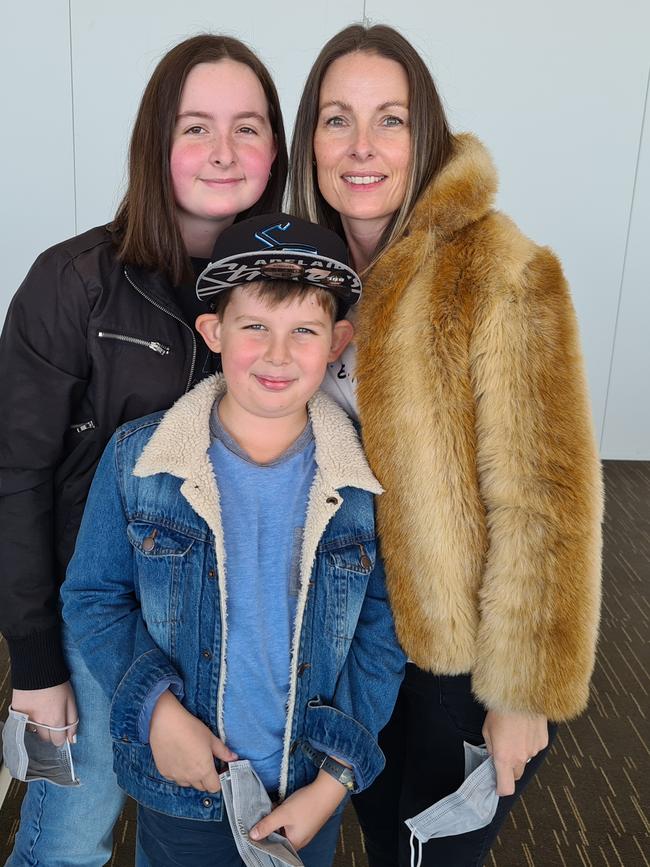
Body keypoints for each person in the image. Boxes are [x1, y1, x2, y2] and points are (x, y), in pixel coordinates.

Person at [289, 23, 603, 867]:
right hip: (341, 639)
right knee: (370, 826)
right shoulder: (297, 275)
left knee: (424, 854)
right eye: (336, 119)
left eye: (389, 120)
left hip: (454, 666)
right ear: (307, 139)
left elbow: (550, 496)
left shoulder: (499, 268)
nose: (362, 147)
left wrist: (524, 692)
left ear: (425, 132)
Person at [0, 33, 287, 866]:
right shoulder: (72, 281)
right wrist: (37, 662)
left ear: (276, 145)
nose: (224, 153)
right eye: (195, 127)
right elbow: (14, 479)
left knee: (212, 837)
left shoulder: (294, 286)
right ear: (155, 141)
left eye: (248, 127)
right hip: (96, 624)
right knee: (70, 841)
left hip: (234, 627)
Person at [60, 212, 406, 867]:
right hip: (181, 785)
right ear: (214, 331)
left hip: (306, 787)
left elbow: (383, 631)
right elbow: (93, 595)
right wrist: (157, 710)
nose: (278, 355)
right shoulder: (140, 459)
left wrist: (333, 783)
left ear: (337, 342)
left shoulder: (367, 479)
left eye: (303, 331)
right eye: (255, 328)